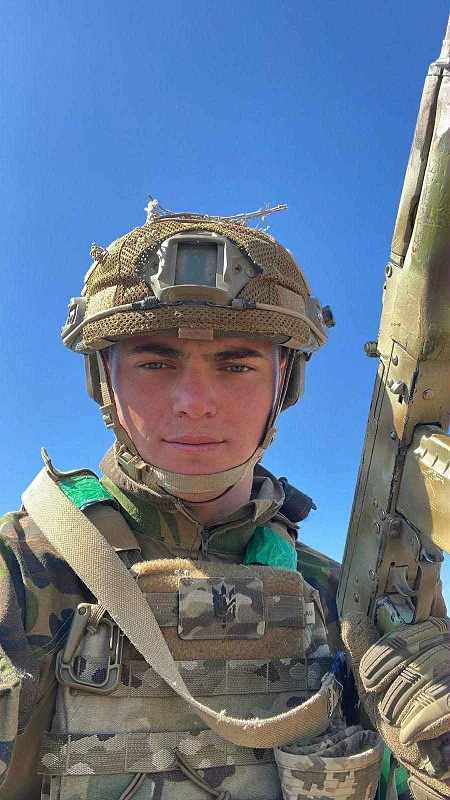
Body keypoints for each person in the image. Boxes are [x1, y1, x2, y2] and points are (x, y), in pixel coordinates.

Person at [0, 202, 448, 800]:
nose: (195, 401)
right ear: (103, 379)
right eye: (154, 361)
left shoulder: (343, 599)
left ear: (284, 382)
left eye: (236, 364)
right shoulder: (20, 571)